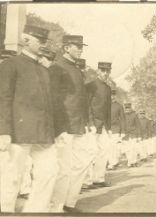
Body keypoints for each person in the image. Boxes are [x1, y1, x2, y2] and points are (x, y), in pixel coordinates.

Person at [0, 25, 58, 212]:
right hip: (18, 132)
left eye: (44, 41)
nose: (43, 45)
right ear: (26, 40)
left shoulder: (44, 70)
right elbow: (3, 99)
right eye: (39, 41)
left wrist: (53, 132)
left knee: (49, 172)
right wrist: (4, 131)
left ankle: (35, 212)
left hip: (43, 134)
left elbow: (49, 104)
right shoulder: (10, 65)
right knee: (12, 177)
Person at [49, 35, 90, 213]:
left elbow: (80, 100)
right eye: (77, 46)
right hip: (64, 125)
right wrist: (59, 128)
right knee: (63, 169)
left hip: (78, 125)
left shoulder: (77, 70)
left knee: (83, 162)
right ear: (66, 48)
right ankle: (57, 207)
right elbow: (53, 100)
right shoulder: (56, 68)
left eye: (81, 46)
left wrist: (85, 123)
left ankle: (69, 202)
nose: (81, 49)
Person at [85, 62, 112, 188]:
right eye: (103, 70)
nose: (105, 73)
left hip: (102, 125)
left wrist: (109, 126)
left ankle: (99, 178)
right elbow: (87, 105)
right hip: (92, 124)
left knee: (105, 150)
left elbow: (108, 109)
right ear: (98, 71)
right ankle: (86, 181)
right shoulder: (90, 86)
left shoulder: (107, 88)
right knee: (90, 152)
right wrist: (90, 123)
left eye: (108, 71)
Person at [107, 89, 126, 170]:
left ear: (115, 96)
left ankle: (112, 163)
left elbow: (122, 119)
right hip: (107, 128)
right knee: (107, 146)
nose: (112, 97)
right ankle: (111, 161)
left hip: (116, 128)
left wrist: (123, 131)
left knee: (113, 146)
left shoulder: (119, 106)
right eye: (110, 95)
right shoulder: (105, 105)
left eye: (113, 95)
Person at [122, 103, 141, 167]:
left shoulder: (134, 115)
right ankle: (129, 162)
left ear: (131, 108)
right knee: (127, 149)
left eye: (128, 108)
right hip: (125, 134)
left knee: (134, 148)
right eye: (126, 108)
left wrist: (139, 136)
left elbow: (138, 125)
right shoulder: (123, 115)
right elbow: (121, 125)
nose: (127, 109)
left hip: (133, 133)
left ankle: (134, 161)